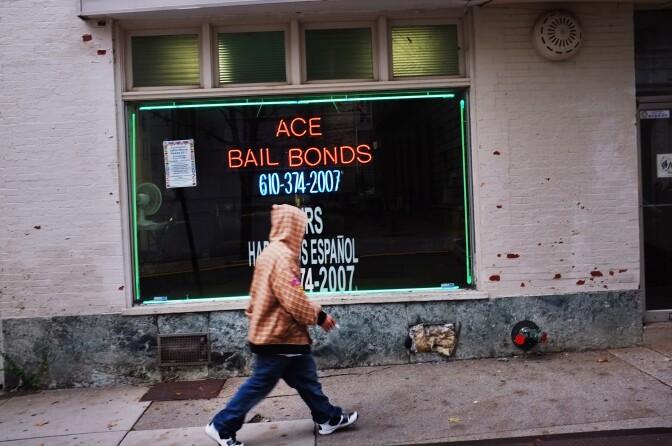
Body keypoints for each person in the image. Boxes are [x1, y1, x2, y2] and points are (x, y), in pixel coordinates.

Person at [205, 204, 358, 446]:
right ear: (293, 228)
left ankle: (327, 418)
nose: (303, 233)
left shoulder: (270, 253)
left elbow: (260, 295)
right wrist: (319, 317)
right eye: (301, 228)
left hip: (279, 335)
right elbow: (294, 299)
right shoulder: (284, 256)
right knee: (260, 384)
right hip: (279, 336)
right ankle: (222, 425)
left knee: (307, 380)